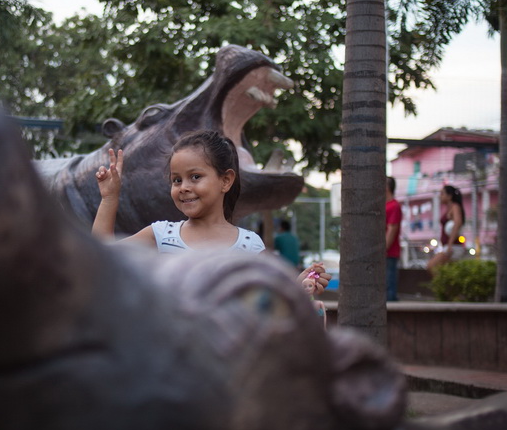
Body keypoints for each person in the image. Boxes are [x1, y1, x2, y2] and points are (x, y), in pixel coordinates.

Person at [92, 130, 330, 317]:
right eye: (176, 180)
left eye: (195, 177)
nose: (183, 186)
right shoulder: (160, 235)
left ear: (225, 180)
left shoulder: (249, 246)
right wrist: (110, 197)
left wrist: (301, 288)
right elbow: (99, 258)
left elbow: (265, 305)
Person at [427, 184, 466, 273]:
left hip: (453, 246)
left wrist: (450, 244)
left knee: (432, 265)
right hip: (447, 245)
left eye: (442, 194)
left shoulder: (455, 207)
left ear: (449, 196)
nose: (440, 196)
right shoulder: (448, 208)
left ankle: (441, 286)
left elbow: (458, 223)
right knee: (446, 271)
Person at [385, 176, 402, 301]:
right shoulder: (385, 205)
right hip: (385, 250)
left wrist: (384, 248)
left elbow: (392, 229)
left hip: (389, 251)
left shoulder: (394, 206)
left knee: (389, 283)